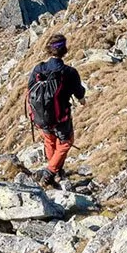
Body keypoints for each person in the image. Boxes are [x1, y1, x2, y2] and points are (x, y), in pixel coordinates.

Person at [23, 33, 85, 186]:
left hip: (40, 117)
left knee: (49, 141)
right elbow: (79, 92)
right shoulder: (69, 72)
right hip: (60, 117)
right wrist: (82, 100)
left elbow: (30, 88)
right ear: (65, 50)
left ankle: (56, 170)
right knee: (66, 142)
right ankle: (50, 172)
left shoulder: (39, 69)